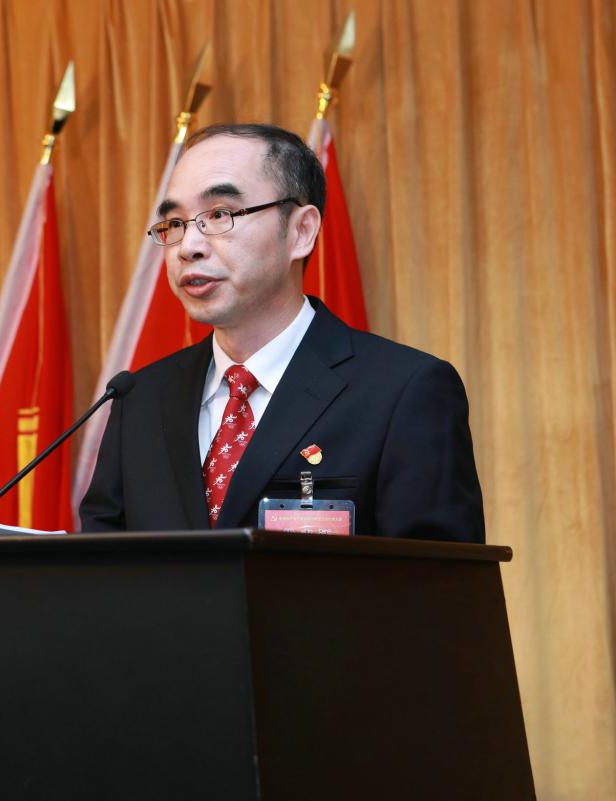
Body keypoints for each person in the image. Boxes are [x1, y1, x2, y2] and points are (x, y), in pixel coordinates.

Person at [80, 123, 484, 542]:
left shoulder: (403, 393)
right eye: (174, 223)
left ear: (301, 231)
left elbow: (440, 580)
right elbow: (101, 568)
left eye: (219, 215)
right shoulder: (139, 400)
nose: (187, 247)